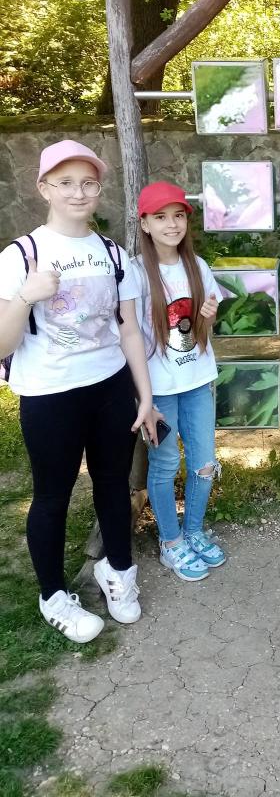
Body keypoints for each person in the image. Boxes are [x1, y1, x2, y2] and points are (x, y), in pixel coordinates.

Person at [0, 140, 159, 643]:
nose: (78, 192)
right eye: (65, 182)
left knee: (113, 483)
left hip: (110, 387)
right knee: (53, 495)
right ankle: (53, 596)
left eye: (88, 183)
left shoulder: (113, 254)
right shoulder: (20, 256)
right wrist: (25, 297)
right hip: (49, 394)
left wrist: (145, 397)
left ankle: (118, 570)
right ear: (43, 188)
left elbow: (129, 330)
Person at [134, 181, 225, 582]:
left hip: (198, 381)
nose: (171, 225)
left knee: (204, 463)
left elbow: (204, 326)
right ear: (145, 223)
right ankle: (171, 542)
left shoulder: (198, 266)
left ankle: (194, 531)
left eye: (178, 216)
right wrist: (144, 398)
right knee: (166, 462)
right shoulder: (135, 273)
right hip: (159, 390)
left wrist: (209, 315)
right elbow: (129, 337)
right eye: (160, 217)